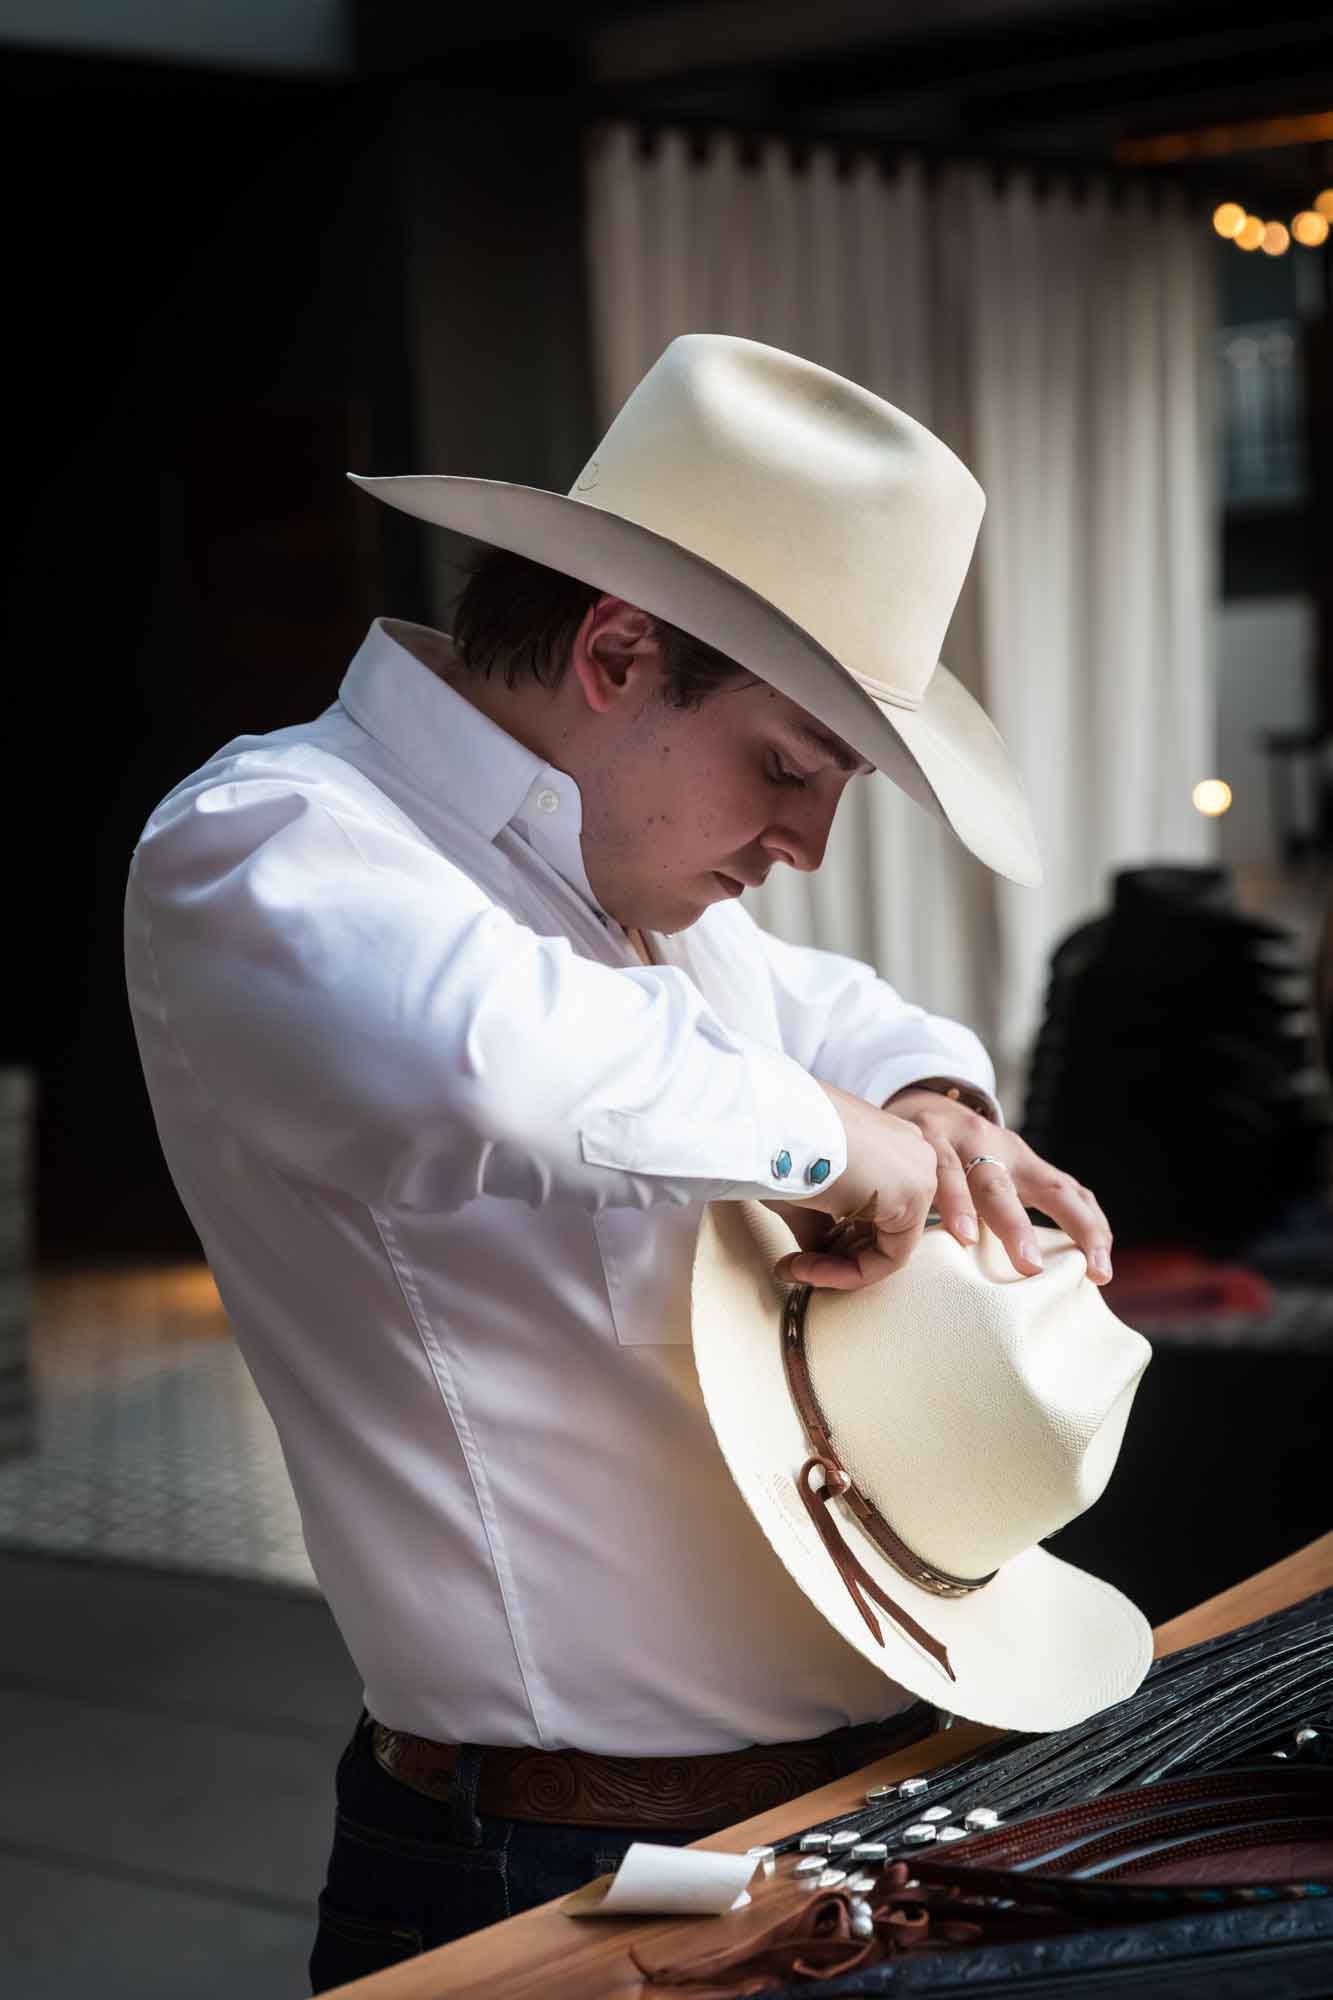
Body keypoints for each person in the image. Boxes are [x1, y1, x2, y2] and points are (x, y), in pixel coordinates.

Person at [123, 335, 1114, 1991]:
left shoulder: (640, 885)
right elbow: (486, 1063)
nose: (805, 844)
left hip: (866, 1806)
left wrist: (930, 1099)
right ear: (615, 650)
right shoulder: (271, 841)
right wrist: (841, 1142)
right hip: (555, 1859)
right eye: (785, 768)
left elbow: (841, 1009)